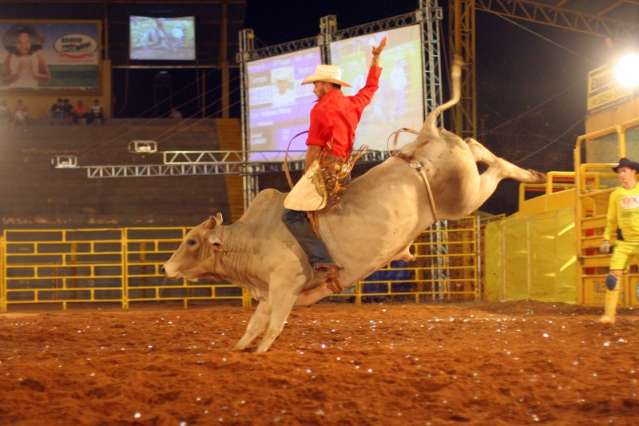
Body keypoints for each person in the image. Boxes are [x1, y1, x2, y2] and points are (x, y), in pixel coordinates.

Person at [281, 37, 387, 291]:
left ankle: (322, 262)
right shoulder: (353, 104)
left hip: (325, 170)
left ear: (328, 85)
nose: (314, 88)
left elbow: (314, 148)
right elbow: (371, 88)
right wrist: (375, 58)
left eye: (317, 83)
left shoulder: (319, 111)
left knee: (291, 215)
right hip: (344, 170)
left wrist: (306, 178)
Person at [599, 157, 639, 324]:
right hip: (624, 243)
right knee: (612, 278)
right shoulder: (616, 195)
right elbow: (611, 218)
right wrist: (606, 238)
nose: (621, 175)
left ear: (634, 172)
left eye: (624, 171)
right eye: (619, 172)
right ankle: (609, 315)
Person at [1, 24, 50, 89]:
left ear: (32, 42)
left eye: (27, 42)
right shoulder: (10, 57)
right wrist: (17, 74)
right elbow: (3, 80)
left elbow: (47, 78)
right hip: (14, 92)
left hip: (32, 92)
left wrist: (35, 74)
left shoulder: (37, 57)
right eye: (19, 42)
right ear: (13, 43)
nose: (23, 45)